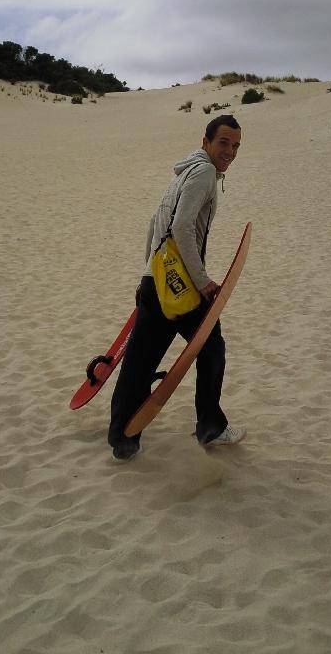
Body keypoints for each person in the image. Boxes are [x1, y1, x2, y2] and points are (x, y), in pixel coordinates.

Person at [108, 114, 247, 461]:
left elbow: (154, 224)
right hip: (180, 285)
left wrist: (146, 277)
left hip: (157, 281)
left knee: (140, 361)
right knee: (211, 345)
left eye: (236, 146)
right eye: (223, 143)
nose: (229, 151)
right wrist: (203, 282)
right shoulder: (202, 174)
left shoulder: (185, 173)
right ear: (206, 142)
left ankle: (122, 438)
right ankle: (210, 426)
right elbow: (183, 228)